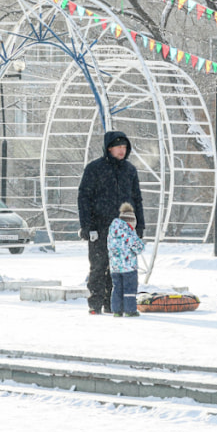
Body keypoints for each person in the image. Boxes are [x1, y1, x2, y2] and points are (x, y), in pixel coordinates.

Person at [78, 131, 145, 315]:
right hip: (100, 226)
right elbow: (84, 198)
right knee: (99, 266)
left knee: (119, 268)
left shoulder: (130, 170)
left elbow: (137, 199)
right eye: (118, 147)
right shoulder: (94, 169)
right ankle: (95, 304)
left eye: (124, 147)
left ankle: (112, 305)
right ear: (109, 148)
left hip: (124, 230)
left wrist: (139, 226)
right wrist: (87, 226)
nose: (122, 151)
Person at [107, 202, 146, 317]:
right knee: (130, 289)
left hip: (115, 267)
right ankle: (130, 310)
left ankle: (116, 310)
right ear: (131, 222)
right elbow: (138, 247)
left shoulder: (112, 231)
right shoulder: (128, 231)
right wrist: (140, 245)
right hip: (129, 267)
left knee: (117, 288)